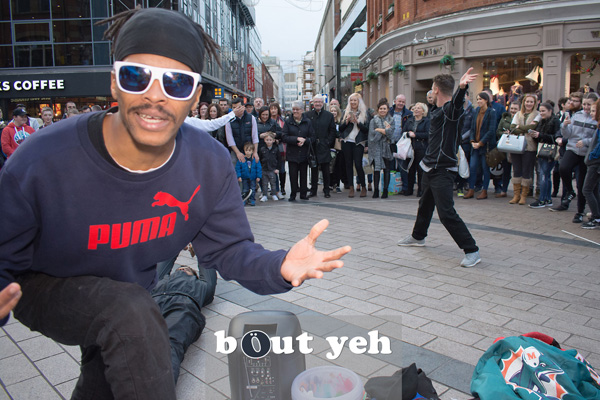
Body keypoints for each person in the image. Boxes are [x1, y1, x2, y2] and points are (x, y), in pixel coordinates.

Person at [0, 8, 350, 400]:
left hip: (131, 291)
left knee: (111, 372)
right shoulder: (40, 161)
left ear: (195, 97)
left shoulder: (207, 164)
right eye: (137, 76)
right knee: (130, 314)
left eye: (176, 83)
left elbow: (229, 249)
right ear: (115, 83)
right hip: (46, 285)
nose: (155, 96)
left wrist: (279, 266)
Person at [398, 68, 481, 268]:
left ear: (435, 89)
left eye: (431, 90)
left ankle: (472, 250)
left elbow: (456, 107)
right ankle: (418, 237)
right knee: (425, 204)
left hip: (443, 169)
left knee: (446, 213)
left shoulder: (450, 112)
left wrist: (462, 89)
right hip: (430, 166)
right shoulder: (436, 110)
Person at [151, 263, 217, 383]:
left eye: (187, 269)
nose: (182, 268)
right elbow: (165, 260)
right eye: (180, 268)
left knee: (169, 345)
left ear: (195, 276)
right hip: (152, 305)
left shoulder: (202, 286)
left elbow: (207, 264)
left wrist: (198, 244)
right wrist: (178, 243)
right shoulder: (160, 280)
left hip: (181, 306)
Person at [552, 92, 599, 222]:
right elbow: (567, 134)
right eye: (584, 104)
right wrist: (565, 125)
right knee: (563, 168)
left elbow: (595, 139)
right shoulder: (576, 115)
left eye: (589, 105)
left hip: (586, 153)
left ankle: (579, 212)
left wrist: (585, 141)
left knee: (582, 184)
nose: (586, 107)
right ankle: (569, 191)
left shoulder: (596, 119)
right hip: (573, 148)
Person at [463, 92, 496, 200]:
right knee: (472, 167)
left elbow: (491, 131)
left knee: (485, 169)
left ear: (486, 100)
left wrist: (480, 143)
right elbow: (472, 128)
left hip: (485, 146)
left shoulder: (491, 112)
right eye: (477, 99)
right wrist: (472, 141)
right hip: (475, 145)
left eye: (481, 99)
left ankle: (484, 191)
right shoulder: (476, 111)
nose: (478, 101)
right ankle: (471, 189)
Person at [508, 94, 540, 205]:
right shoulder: (518, 114)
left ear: (535, 103)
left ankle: (523, 196)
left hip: (529, 146)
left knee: (526, 171)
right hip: (516, 145)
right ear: (524, 102)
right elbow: (512, 128)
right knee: (516, 170)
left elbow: (531, 128)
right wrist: (523, 129)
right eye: (527, 101)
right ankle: (516, 195)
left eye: (531, 102)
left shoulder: (537, 114)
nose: (529, 104)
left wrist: (520, 128)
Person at [528, 103, 560, 208]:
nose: (541, 113)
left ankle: (541, 200)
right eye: (540, 111)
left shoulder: (555, 121)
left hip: (550, 152)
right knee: (546, 176)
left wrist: (539, 135)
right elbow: (539, 136)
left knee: (543, 175)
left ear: (550, 111)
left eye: (543, 111)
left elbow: (555, 137)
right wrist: (534, 135)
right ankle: (547, 199)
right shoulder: (541, 121)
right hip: (541, 151)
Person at [282, 100, 315, 201]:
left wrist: (305, 140)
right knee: (293, 175)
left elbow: (313, 137)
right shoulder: (288, 121)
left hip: (304, 153)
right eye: (293, 109)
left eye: (297, 109)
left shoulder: (307, 121)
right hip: (292, 153)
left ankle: (303, 194)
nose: (295, 111)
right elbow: (284, 137)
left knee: (304, 175)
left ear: (302, 110)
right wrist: (296, 139)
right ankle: (293, 194)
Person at [306, 94, 336, 198]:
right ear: (313, 103)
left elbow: (332, 130)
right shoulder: (308, 115)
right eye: (316, 102)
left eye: (320, 102)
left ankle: (326, 190)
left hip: (324, 145)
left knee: (326, 170)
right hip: (313, 146)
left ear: (323, 103)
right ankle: (313, 190)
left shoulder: (329, 115)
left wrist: (328, 142)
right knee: (313, 169)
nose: (318, 104)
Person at [339, 93, 370, 197]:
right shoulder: (345, 112)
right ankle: (351, 187)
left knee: (358, 164)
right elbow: (341, 128)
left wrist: (358, 123)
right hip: (347, 141)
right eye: (351, 100)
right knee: (348, 165)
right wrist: (347, 121)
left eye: (355, 100)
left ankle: (363, 187)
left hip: (359, 142)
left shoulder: (365, 113)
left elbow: (367, 130)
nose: (353, 102)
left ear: (359, 102)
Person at [402, 102, 431, 197]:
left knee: (421, 170)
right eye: (415, 108)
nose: (416, 110)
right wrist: (408, 134)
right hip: (410, 148)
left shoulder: (426, 121)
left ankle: (421, 190)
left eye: (419, 108)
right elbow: (404, 132)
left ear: (423, 111)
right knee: (410, 169)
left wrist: (416, 135)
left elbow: (428, 134)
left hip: (421, 148)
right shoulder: (409, 120)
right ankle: (409, 189)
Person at [368, 98, 395, 198]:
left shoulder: (391, 120)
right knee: (377, 170)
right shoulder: (373, 121)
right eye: (380, 108)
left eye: (384, 108)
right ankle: (376, 190)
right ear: (378, 109)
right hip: (376, 148)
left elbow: (391, 134)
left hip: (387, 148)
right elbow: (372, 135)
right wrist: (384, 131)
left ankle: (385, 190)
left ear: (388, 109)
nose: (382, 110)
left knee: (387, 169)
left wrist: (379, 130)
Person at [581, 99, 600, 229]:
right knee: (595, 190)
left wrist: (591, 157)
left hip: (595, 163)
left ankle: (595, 217)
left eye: (593, 110)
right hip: (594, 162)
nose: (591, 113)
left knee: (587, 190)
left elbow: (598, 147)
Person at [495, 101, 520, 197]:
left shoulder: (521, 118)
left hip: (517, 146)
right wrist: (504, 133)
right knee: (506, 170)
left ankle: (517, 192)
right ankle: (504, 190)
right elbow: (498, 131)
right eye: (512, 108)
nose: (513, 110)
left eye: (515, 109)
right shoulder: (505, 117)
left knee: (517, 170)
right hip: (507, 146)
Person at [226, 97, 259, 163]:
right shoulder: (229, 119)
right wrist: (238, 153)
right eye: (234, 108)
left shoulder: (251, 118)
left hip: (249, 150)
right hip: (235, 150)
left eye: (238, 107)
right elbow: (230, 139)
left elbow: (255, 136)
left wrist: (255, 152)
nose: (236, 110)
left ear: (243, 107)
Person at [457, 93, 474, 197]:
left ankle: (461, 186)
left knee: (464, 165)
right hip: (456, 142)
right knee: (456, 164)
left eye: (465, 95)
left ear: (468, 96)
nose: (463, 98)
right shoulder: (457, 109)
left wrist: (462, 137)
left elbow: (472, 128)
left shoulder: (472, 111)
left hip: (466, 142)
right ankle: (456, 185)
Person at [236, 142, 262, 206]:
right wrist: (239, 176)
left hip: (253, 177)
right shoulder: (241, 159)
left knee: (252, 189)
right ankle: (244, 199)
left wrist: (258, 176)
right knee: (245, 189)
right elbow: (238, 168)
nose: (247, 152)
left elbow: (259, 168)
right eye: (246, 150)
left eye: (249, 150)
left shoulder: (255, 159)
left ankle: (252, 199)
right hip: (244, 177)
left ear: (252, 151)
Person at [269, 101, 287, 197]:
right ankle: (275, 188)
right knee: (272, 168)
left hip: (281, 146)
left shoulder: (283, 120)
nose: (273, 110)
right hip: (271, 146)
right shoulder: (268, 121)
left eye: (275, 108)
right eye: (271, 109)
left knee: (282, 168)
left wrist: (278, 138)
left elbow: (285, 133)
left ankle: (283, 187)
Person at [259, 132, 281, 202]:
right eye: (267, 140)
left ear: (273, 140)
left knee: (273, 183)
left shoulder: (276, 149)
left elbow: (279, 159)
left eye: (270, 140)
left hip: (272, 169)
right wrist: (260, 168)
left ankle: (274, 194)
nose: (269, 141)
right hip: (264, 169)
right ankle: (265, 195)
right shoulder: (262, 149)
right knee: (264, 183)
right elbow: (259, 159)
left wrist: (277, 168)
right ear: (264, 140)